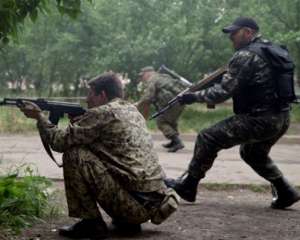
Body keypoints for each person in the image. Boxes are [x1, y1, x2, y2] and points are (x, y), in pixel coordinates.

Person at [19, 73, 179, 239]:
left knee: (74, 154)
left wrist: (39, 117)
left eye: (90, 94)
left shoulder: (103, 113)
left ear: (102, 95)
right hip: (153, 204)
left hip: (133, 207)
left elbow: (59, 142)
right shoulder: (132, 110)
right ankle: (127, 223)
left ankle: (91, 224)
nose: (87, 100)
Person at [165, 17, 300, 209]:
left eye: (234, 33)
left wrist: (193, 97)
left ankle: (188, 186)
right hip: (282, 117)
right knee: (253, 153)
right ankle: (286, 191)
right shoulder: (271, 50)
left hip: (259, 119)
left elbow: (222, 93)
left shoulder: (245, 55)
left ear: (248, 32)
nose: (231, 38)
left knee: (208, 137)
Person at [136, 66, 189, 152]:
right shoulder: (163, 76)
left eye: (142, 75)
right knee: (170, 121)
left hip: (173, 102)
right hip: (181, 100)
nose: (142, 78)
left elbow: (148, 97)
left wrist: (138, 105)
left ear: (148, 73)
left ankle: (177, 142)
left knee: (161, 121)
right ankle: (173, 141)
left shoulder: (153, 79)